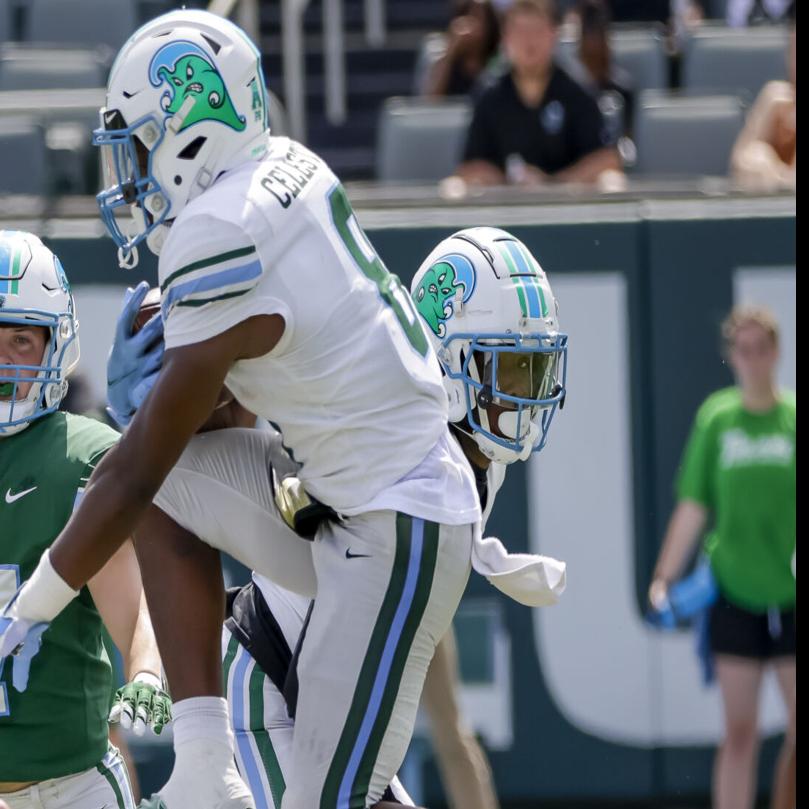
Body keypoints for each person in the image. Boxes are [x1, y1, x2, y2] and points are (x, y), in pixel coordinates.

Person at [0, 9, 483, 809]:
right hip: (342, 495)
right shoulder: (285, 168)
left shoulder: (220, 230)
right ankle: (203, 768)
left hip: (401, 521)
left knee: (328, 798)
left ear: (190, 129)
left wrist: (34, 605)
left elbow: (144, 455)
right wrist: (179, 390)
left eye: (142, 138)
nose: (132, 167)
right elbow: (209, 434)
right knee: (154, 482)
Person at [112, 226, 567, 809]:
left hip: (331, 661)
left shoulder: (474, 451)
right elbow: (245, 407)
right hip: (273, 680)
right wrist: (160, 399)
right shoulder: (385, 418)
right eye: (509, 371)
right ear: (451, 362)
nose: (525, 393)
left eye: (533, 369)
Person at [0, 230, 170, 809]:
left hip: (71, 789)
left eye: (20, 339)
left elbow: (133, 605)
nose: (3, 359)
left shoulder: (84, 456)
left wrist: (145, 669)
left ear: (56, 344)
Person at [648, 305, 795, 809]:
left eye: (762, 349)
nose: (753, 360)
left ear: (775, 352)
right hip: (733, 591)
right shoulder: (717, 420)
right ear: (732, 355)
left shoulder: (793, 421)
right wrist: (664, 577)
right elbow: (693, 505)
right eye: (743, 350)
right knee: (740, 731)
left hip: (791, 595)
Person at [455, 0, 622, 186]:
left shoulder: (577, 90)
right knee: (454, 188)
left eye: (537, 31)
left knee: (612, 183)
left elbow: (606, 160)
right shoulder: (489, 94)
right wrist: (511, 183)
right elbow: (470, 167)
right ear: (506, 38)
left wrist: (550, 183)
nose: (529, 41)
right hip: (504, 206)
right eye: (521, 32)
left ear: (553, 34)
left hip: (570, 203)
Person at [730, 22, 796, 192]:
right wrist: (768, 166)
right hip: (771, 199)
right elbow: (740, 160)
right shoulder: (774, 96)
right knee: (758, 153)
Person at [422, 0, 502, 98]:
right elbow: (431, 99)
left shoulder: (499, 61)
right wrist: (451, 51)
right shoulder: (443, 62)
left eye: (478, 17)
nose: (471, 25)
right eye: (467, 16)